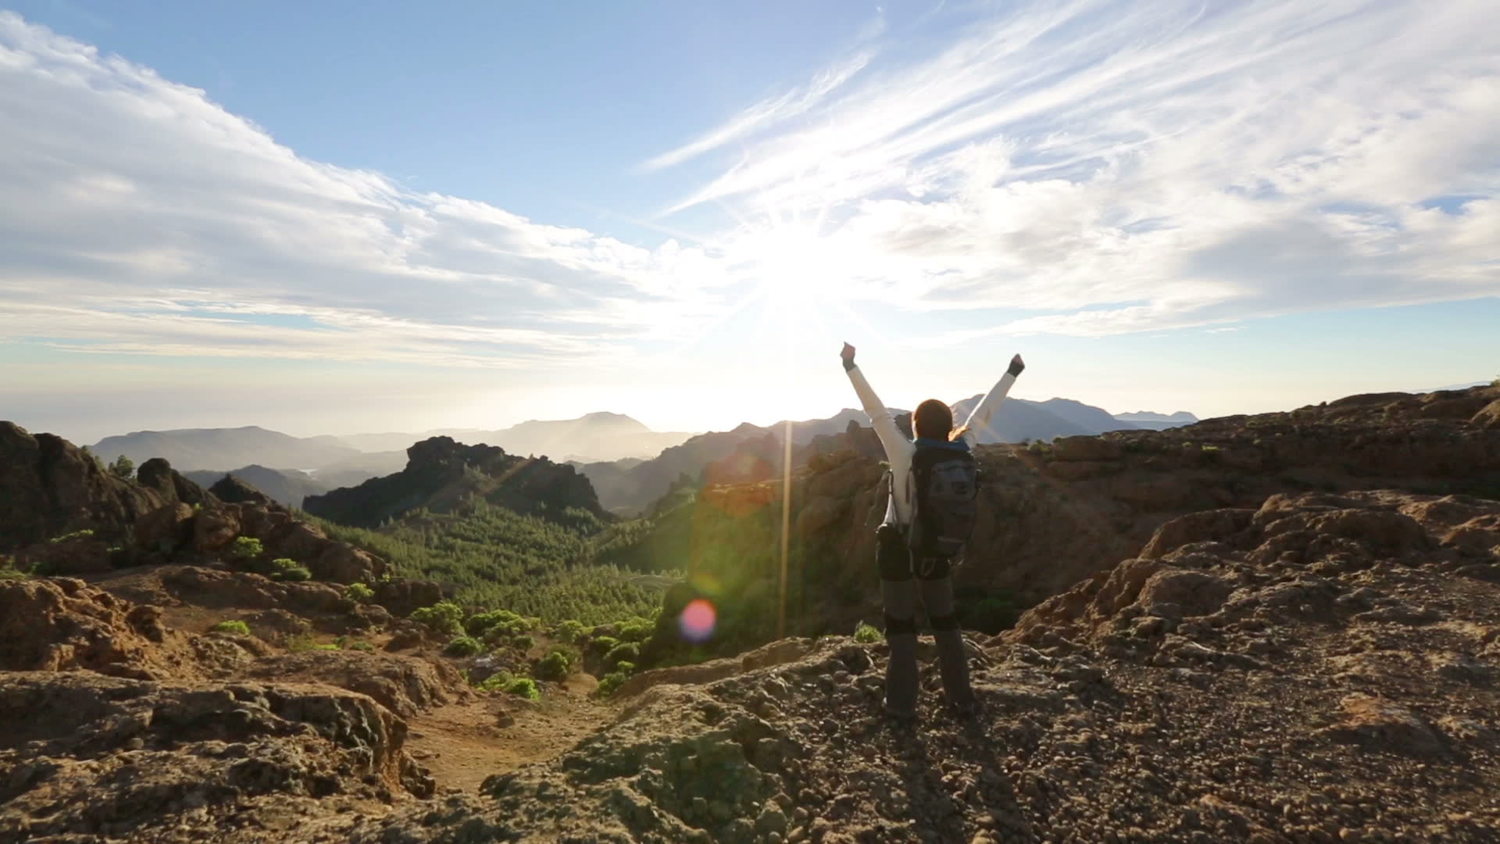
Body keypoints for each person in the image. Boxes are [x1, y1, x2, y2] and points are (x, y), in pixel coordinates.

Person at [840, 341, 1025, 720]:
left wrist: (850, 367)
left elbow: (875, 414)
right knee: (946, 626)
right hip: (938, 550)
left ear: (915, 426)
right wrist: (1011, 373)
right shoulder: (964, 449)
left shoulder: (905, 454)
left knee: (902, 630)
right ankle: (962, 699)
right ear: (949, 426)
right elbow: (984, 413)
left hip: (897, 550)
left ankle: (902, 707)